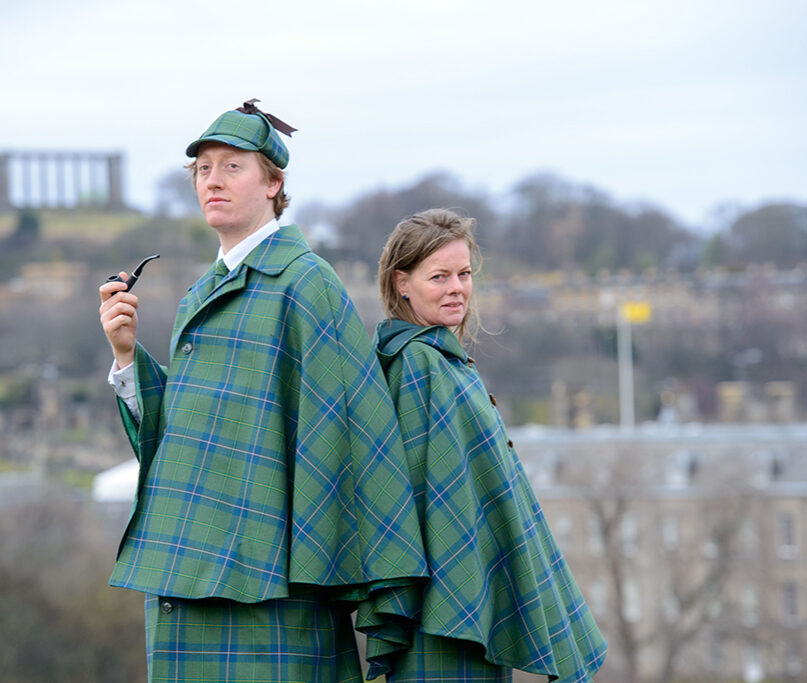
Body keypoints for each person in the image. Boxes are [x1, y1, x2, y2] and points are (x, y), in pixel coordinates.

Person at [98, 99, 427, 683]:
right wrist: (126, 354)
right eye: (203, 169)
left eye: (232, 166)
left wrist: (319, 573)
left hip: (269, 595)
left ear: (274, 182)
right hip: (183, 577)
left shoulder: (307, 283)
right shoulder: (201, 292)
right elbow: (180, 437)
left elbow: (350, 435)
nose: (213, 180)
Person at [360, 209, 607, 682]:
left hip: (463, 599)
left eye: (464, 274)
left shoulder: (443, 361)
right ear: (402, 283)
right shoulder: (419, 366)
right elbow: (419, 500)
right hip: (448, 605)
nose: (457, 288)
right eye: (440, 277)